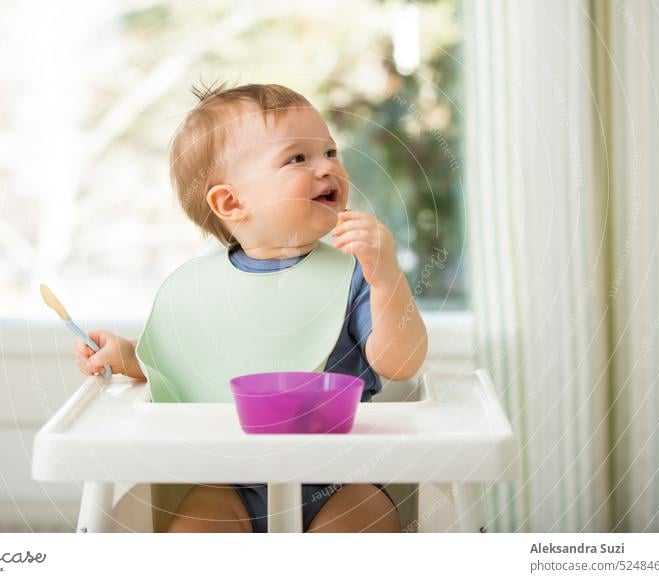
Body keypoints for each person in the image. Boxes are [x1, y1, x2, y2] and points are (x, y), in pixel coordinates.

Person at [74, 83, 428, 532]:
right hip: (227, 480)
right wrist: (129, 356)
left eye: (330, 152)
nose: (327, 167)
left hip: (339, 477)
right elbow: (182, 365)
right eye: (298, 158)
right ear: (231, 202)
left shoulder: (356, 274)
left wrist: (387, 279)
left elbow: (402, 362)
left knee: (359, 533)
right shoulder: (199, 287)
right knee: (190, 538)